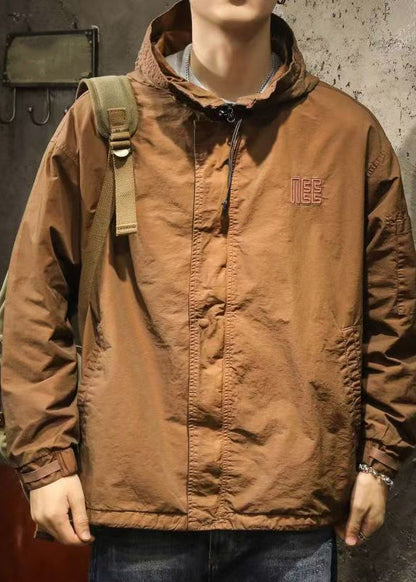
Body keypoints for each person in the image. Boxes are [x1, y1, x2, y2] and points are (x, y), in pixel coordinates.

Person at [1, 0, 416, 580]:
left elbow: (394, 315)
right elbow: (33, 299)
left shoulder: (347, 136)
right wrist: (47, 461)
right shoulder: (101, 122)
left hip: (291, 511)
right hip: (140, 507)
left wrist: (379, 461)